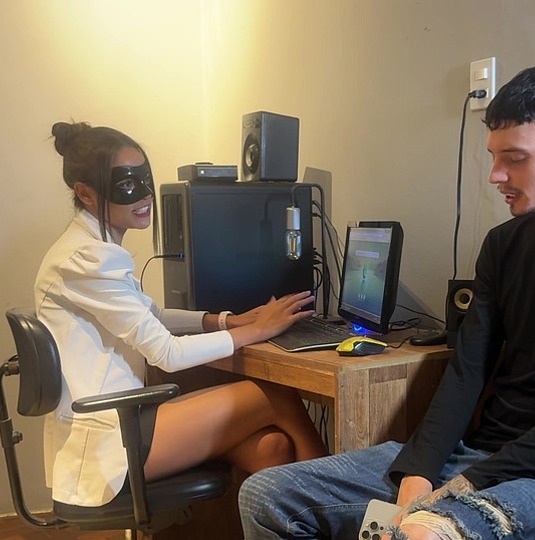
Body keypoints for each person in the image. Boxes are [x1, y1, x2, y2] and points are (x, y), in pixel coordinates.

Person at [238, 65, 535, 540]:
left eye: (514, 158)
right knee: (267, 498)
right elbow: (466, 371)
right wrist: (419, 473)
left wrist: (468, 485)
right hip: (478, 456)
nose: (495, 176)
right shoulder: (503, 245)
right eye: (493, 157)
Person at [35, 121, 327, 509]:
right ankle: (337, 516)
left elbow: (151, 315)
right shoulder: (86, 259)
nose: (144, 194)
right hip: (111, 439)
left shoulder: (92, 248)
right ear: (85, 193)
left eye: (144, 178)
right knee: (276, 392)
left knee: (272, 448)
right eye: (126, 184)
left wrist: (226, 321)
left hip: (124, 419)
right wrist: (257, 330)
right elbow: (167, 354)